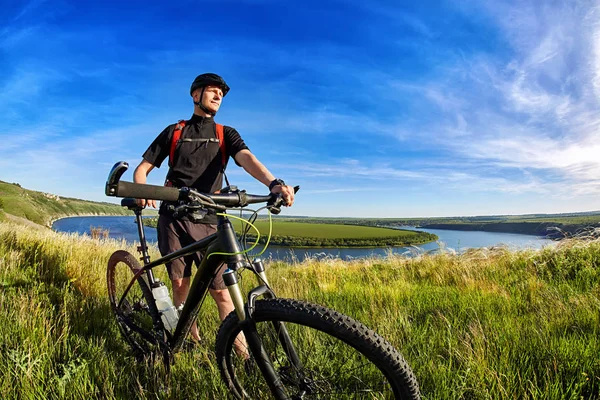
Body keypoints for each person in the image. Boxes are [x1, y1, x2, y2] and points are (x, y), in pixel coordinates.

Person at [133, 73, 295, 343]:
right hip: (173, 218)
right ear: (195, 95)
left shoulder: (225, 133)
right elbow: (142, 169)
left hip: (210, 219)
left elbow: (247, 158)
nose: (219, 95)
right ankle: (189, 344)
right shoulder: (175, 131)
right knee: (180, 286)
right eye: (212, 90)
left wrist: (274, 183)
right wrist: (141, 189)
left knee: (222, 291)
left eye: (221, 93)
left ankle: (242, 355)